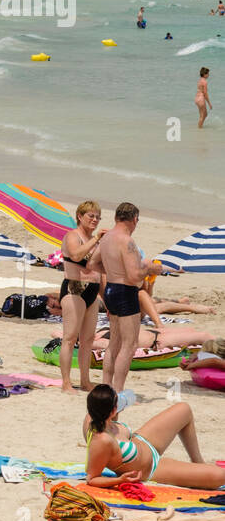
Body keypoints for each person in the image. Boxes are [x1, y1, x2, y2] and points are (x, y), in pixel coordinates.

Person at [82, 385, 225, 489]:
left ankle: (198, 462)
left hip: (145, 440)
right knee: (220, 476)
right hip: (152, 468)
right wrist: (119, 480)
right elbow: (92, 478)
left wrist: (123, 400)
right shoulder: (102, 441)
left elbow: (106, 404)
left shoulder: (95, 414)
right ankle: (200, 468)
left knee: (184, 409)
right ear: (112, 410)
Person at [96, 202, 163, 393]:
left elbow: (93, 264)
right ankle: (117, 391)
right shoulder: (127, 241)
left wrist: (113, 271)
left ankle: (106, 386)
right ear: (134, 219)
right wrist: (150, 268)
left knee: (114, 343)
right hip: (125, 293)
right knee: (129, 344)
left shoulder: (107, 238)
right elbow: (134, 276)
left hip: (111, 289)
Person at [58, 201, 105, 394]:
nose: (94, 220)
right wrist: (96, 240)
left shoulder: (95, 241)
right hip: (73, 287)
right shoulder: (72, 236)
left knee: (88, 340)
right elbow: (77, 256)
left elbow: (100, 271)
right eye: (91, 216)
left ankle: (85, 381)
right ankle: (66, 383)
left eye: (97, 217)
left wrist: (106, 299)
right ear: (79, 216)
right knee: (70, 338)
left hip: (92, 291)